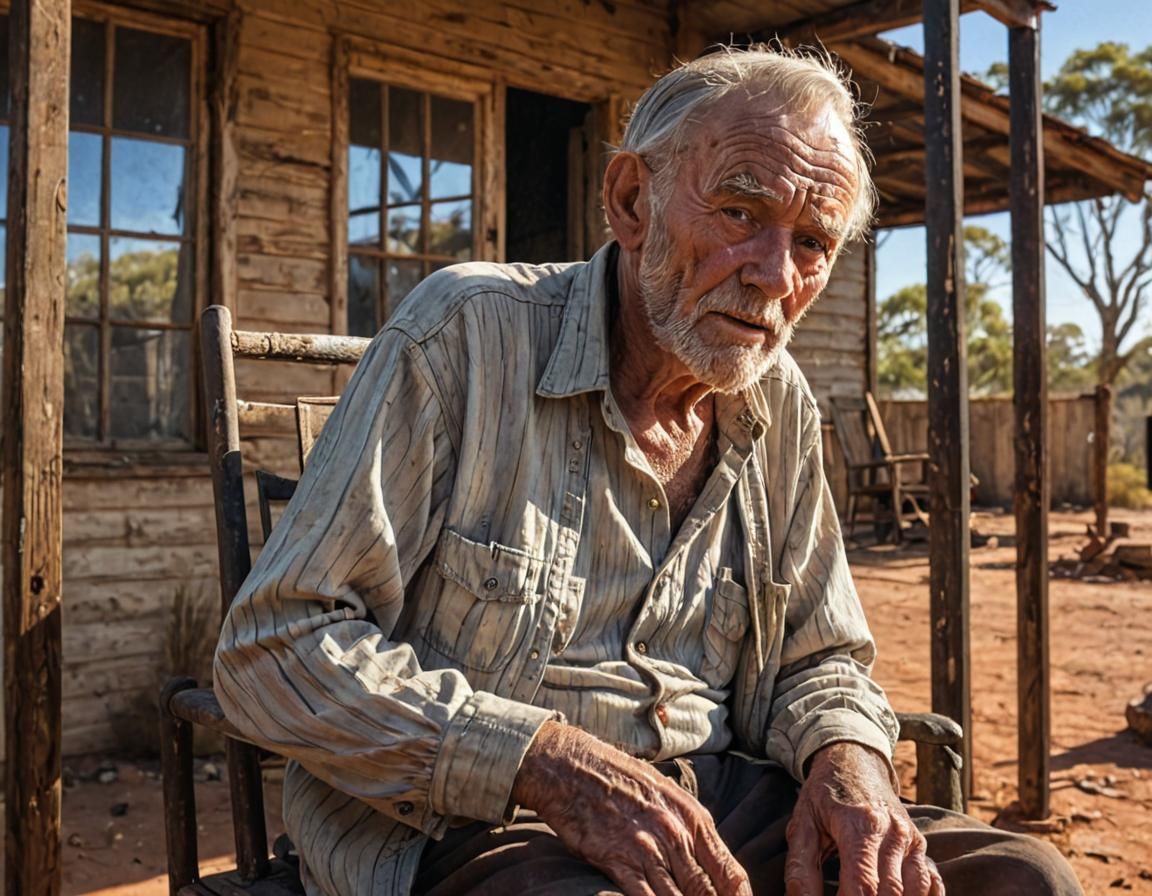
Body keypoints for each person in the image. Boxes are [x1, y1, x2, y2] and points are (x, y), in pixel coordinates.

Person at [214, 46, 1082, 896]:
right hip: (481, 823)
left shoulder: (777, 403)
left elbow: (822, 656)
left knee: (1023, 878)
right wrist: (544, 759)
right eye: (740, 212)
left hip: (720, 806)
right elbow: (275, 649)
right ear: (632, 200)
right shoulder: (466, 337)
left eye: (812, 242)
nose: (775, 276)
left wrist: (848, 760)